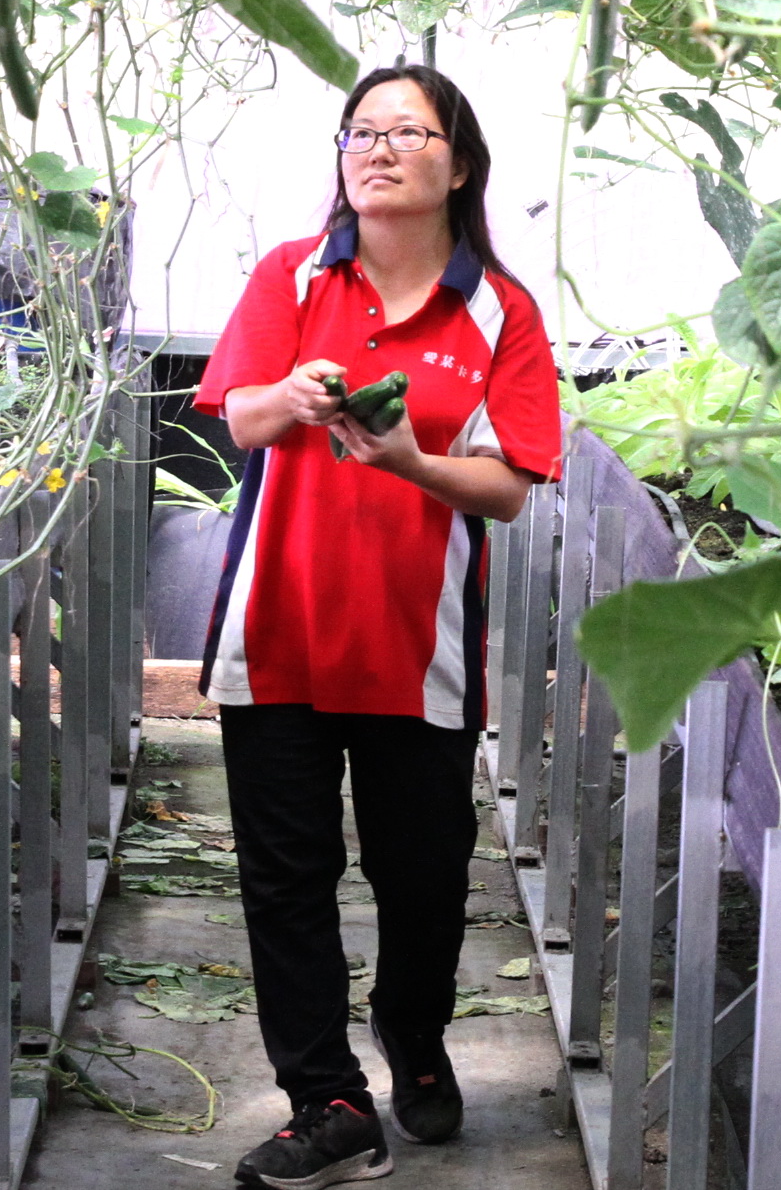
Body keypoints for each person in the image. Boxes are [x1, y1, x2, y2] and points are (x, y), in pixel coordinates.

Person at [192, 65, 566, 1188]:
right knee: (285, 877)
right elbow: (240, 417)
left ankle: (413, 1037)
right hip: (277, 638)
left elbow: (505, 487)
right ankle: (328, 1099)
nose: (378, 147)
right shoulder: (291, 278)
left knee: (421, 878)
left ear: (458, 162)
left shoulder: (500, 309)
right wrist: (297, 398)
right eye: (361, 129)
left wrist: (409, 461)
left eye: (408, 129)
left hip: (419, 652)